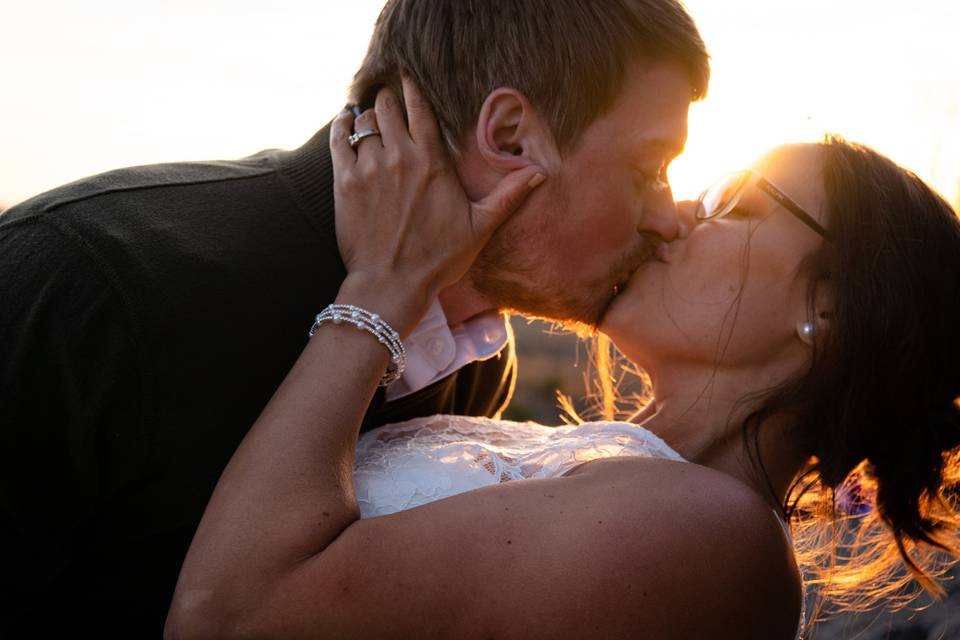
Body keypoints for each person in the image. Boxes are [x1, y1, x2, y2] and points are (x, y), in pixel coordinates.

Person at [0, 1, 709, 633]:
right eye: (650, 167)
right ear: (511, 136)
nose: (666, 217)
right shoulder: (88, 283)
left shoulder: (478, 360)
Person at [165, 80, 960, 639]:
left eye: (733, 206)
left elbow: (222, 619)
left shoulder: (708, 533)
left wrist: (384, 287)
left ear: (823, 307)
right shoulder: (590, 462)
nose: (676, 215)